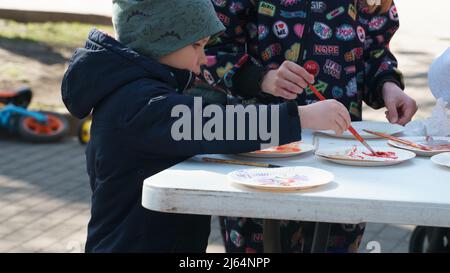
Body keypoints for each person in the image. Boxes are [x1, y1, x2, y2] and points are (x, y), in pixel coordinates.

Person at [61, 0, 351, 252]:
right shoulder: (138, 103)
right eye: (197, 45)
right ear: (163, 40)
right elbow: (216, 124)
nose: (203, 58)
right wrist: (301, 118)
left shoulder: (149, 89)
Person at [201, 0, 418, 253]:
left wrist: (388, 86)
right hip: (261, 151)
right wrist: (262, 79)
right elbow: (207, 49)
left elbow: (375, 52)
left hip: (342, 159)